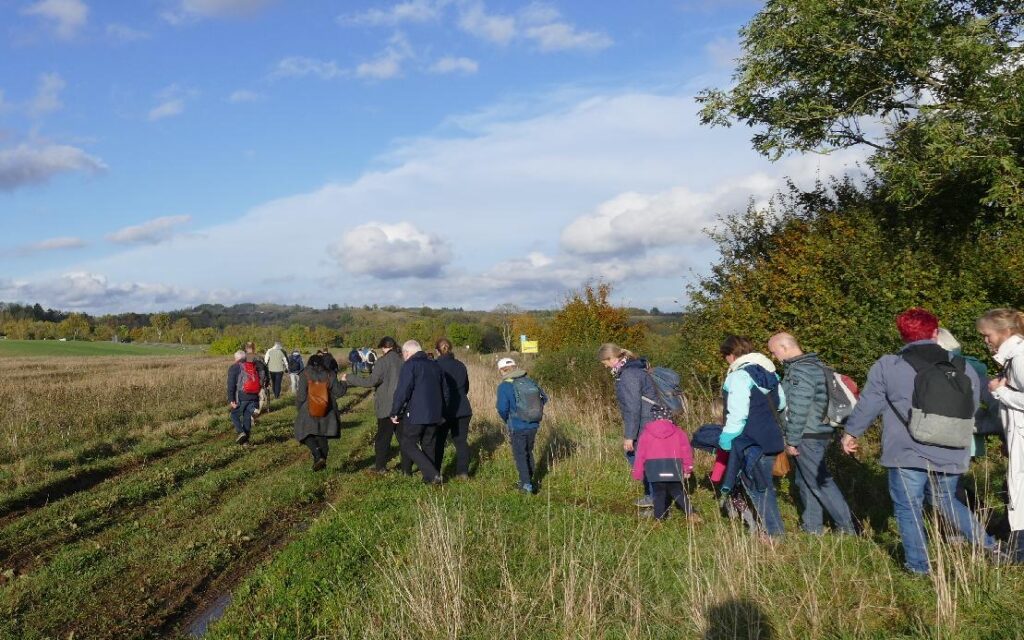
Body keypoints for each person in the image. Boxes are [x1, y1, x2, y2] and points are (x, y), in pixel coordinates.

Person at [842, 308, 999, 575]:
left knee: (908, 507)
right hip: (951, 446)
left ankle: (919, 567)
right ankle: (990, 546)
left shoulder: (888, 365)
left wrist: (850, 433)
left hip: (906, 450)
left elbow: (869, 404)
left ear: (902, 336)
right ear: (935, 333)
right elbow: (970, 406)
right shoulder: (963, 366)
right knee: (946, 500)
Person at [767, 332, 856, 536]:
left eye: (774, 352)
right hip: (820, 432)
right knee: (805, 481)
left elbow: (798, 408)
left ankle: (847, 528)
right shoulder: (816, 366)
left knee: (820, 482)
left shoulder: (800, 371)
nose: (774, 357)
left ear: (784, 347)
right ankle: (812, 527)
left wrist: (792, 440)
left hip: (807, 434)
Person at [718, 335, 787, 538]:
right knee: (765, 488)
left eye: (725, 356)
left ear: (731, 355)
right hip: (772, 438)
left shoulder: (738, 376)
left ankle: (775, 535)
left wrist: (726, 440)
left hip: (750, 442)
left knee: (759, 490)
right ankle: (773, 532)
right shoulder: (770, 374)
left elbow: (737, 414)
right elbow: (781, 404)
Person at [977, 308, 1024, 556]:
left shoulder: (1020, 359)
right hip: (1018, 436)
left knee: (1021, 493)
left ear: (1005, 332)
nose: (985, 340)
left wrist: (1000, 391)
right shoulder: (1013, 357)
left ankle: (1017, 554)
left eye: (988, 335)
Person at [598, 343, 662, 509]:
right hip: (649, 421)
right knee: (647, 460)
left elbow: (633, 408)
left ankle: (657, 500)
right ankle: (652, 496)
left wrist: (629, 436)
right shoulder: (632, 369)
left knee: (641, 459)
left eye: (604, 362)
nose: (604, 366)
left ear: (612, 358)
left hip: (646, 423)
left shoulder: (628, 375)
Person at [343, 337, 410, 474]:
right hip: (402, 405)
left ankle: (380, 467)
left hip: (386, 407)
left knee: (382, 439)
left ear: (385, 347)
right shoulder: (403, 360)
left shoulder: (382, 362)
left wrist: (349, 378)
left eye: (382, 348)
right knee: (404, 439)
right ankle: (406, 469)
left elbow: (371, 382)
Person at [390, 340, 447, 484]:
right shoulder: (435, 365)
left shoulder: (410, 365)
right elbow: (445, 391)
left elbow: (403, 391)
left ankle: (433, 474)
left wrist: (395, 411)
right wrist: (442, 411)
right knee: (429, 445)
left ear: (407, 353)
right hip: (435, 414)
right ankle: (430, 480)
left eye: (404, 354)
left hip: (416, 413)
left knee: (407, 443)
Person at [497, 357, 548, 494]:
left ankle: (526, 485)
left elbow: (502, 408)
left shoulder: (504, 386)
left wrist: (506, 419)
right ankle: (529, 480)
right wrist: (534, 411)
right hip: (533, 424)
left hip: (517, 426)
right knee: (528, 451)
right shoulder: (529, 381)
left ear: (502, 370)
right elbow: (545, 398)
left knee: (520, 454)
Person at [632, 418, 698, 521]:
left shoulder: (646, 434)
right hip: (674, 466)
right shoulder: (679, 432)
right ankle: (691, 514)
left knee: (658, 494)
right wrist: (687, 468)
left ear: (654, 417)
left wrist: (638, 472)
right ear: (670, 418)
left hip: (654, 468)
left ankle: (658, 519)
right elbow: (686, 451)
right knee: (678, 492)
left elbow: (640, 455)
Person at [294, 354, 347, 471]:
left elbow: (301, 396)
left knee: (303, 432)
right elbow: (339, 392)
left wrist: (299, 408)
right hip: (327, 409)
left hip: (309, 409)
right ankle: (320, 461)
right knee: (322, 436)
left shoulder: (305, 374)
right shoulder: (330, 374)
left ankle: (317, 455)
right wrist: (343, 382)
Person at [434, 338, 473, 479]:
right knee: (461, 442)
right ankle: (463, 473)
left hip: (443, 410)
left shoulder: (435, 365)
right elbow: (466, 387)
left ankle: (436, 473)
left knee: (438, 442)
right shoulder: (460, 365)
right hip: (463, 408)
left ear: (437, 351)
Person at [228, 348, 265, 445]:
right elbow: (262, 377)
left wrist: (231, 399)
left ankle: (241, 432)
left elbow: (231, 385)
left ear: (236, 359)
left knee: (234, 415)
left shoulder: (235, 367)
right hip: (254, 396)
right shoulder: (254, 365)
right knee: (247, 418)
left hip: (242, 397)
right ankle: (246, 442)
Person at [243, 342, 271, 417]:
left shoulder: (243, 358)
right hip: (259, 381)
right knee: (261, 397)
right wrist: (266, 381)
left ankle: (250, 412)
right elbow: (264, 370)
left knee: (249, 398)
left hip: (246, 383)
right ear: (254, 348)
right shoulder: (259, 357)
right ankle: (257, 412)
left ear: (246, 349)